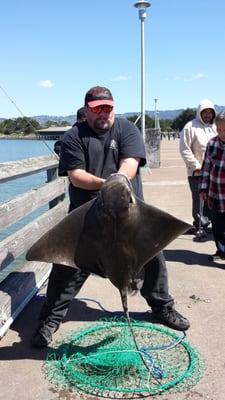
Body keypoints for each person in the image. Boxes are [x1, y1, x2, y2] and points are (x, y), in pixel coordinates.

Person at [31, 86, 190, 348]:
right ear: (87, 111)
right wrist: (107, 184)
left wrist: (118, 180)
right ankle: (50, 319)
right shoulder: (73, 136)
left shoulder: (127, 129)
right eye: (97, 109)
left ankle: (162, 307)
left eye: (108, 107)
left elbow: (130, 163)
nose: (104, 113)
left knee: (153, 259)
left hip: (132, 215)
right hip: (88, 220)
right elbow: (76, 176)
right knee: (66, 269)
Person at [179, 99, 217, 236]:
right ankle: (200, 223)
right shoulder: (190, 127)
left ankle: (212, 222)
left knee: (212, 198)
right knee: (199, 198)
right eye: (204, 112)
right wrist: (195, 166)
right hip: (197, 171)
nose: (207, 115)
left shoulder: (214, 127)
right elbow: (184, 149)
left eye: (210, 113)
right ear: (199, 113)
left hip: (214, 172)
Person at [199, 111, 225, 261]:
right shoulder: (212, 143)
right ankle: (221, 251)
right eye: (219, 129)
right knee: (217, 226)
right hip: (214, 194)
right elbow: (206, 168)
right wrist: (203, 188)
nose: (222, 133)